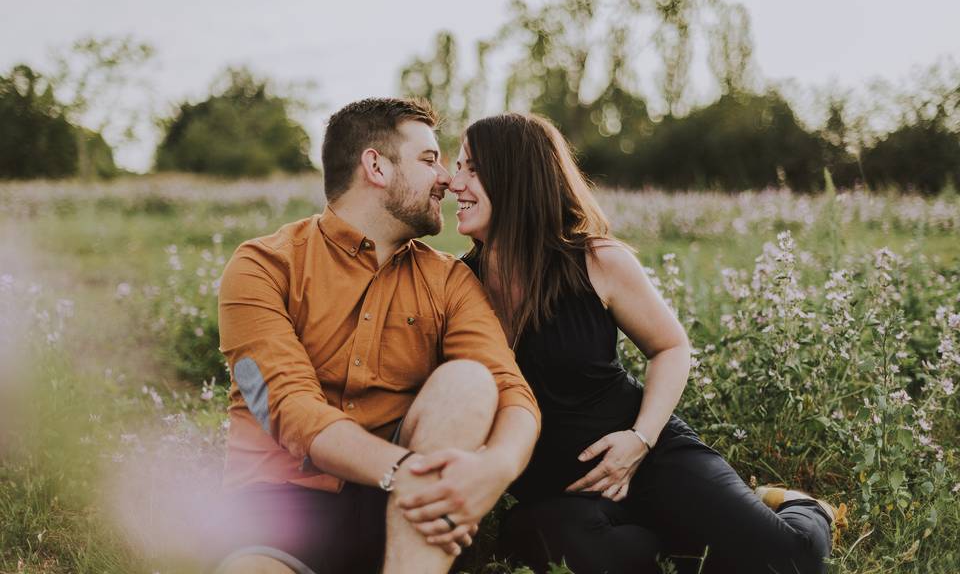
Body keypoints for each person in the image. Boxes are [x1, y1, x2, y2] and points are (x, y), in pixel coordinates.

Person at [448, 112, 846, 574]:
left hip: (648, 455)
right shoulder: (458, 283)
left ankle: (802, 505)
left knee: (789, 561)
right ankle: (686, 533)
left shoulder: (595, 260)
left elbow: (671, 348)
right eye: (457, 167)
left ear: (514, 176)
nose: (454, 182)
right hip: (561, 495)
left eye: (471, 168)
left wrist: (639, 439)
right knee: (572, 552)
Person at [213, 99, 540, 574]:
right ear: (376, 166)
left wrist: (498, 467)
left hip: (405, 511)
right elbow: (286, 406)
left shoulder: (450, 281)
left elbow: (510, 391)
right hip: (279, 507)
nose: (447, 179)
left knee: (469, 381)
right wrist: (403, 471)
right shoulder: (264, 266)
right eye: (429, 160)